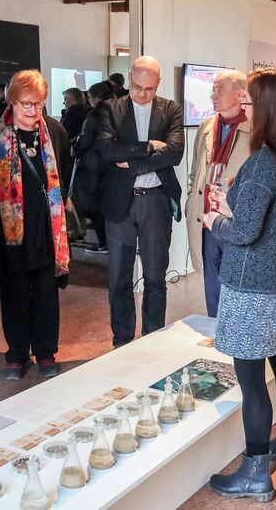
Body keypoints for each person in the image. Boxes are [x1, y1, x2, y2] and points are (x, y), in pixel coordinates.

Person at [202, 68, 276, 502]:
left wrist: (215, 221)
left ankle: (255, 473)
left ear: (267, 108)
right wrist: (234, 201)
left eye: (249, 102)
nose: (244, 109)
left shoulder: (262, 163)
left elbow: (244, 231)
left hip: (253, 285)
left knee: (251, 379)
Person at [0, 70, 71, 381]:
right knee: (13, 293)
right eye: (26, 103)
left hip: (45, 230)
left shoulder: (55, 132)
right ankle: (16, 354)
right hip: (7, 232)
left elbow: (64, 175)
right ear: (11, 101)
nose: (33, 110)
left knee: (46, 292)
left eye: (39, 103)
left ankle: (46, 351)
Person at [97, 56, 184, 347]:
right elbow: (108, 150)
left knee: (155, 277)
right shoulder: (111, 108)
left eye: (149, 89)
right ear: (129, 78)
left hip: (157, 201)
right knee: (119, 278)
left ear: (158, 83)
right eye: (136, 87)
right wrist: (148, 147)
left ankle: (152, 339)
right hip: (120, 202)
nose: (142, 94)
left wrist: (132, 164)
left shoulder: (170, 109)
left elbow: (174, 153)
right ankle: (122, 341)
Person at [185, 70, 251, 317]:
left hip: (236, 222)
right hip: (207, 221)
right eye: (213, 89)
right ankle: (216, 333)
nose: (214, 95)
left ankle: (236, 336)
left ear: (240, 93)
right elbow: (195, 172)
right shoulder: (207, 126)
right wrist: (192, 201)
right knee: (212, 290)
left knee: (238, 291)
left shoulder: (255, 129)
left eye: (220, 90)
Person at [71, 81, 114, 254]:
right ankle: (111, 243)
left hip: (94, 167)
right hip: (113, 164)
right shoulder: (118, 112)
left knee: (92, 206)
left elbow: (84, 140)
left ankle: (104, 243)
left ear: (95, 97)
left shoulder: (94, 116)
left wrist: (73, 150)